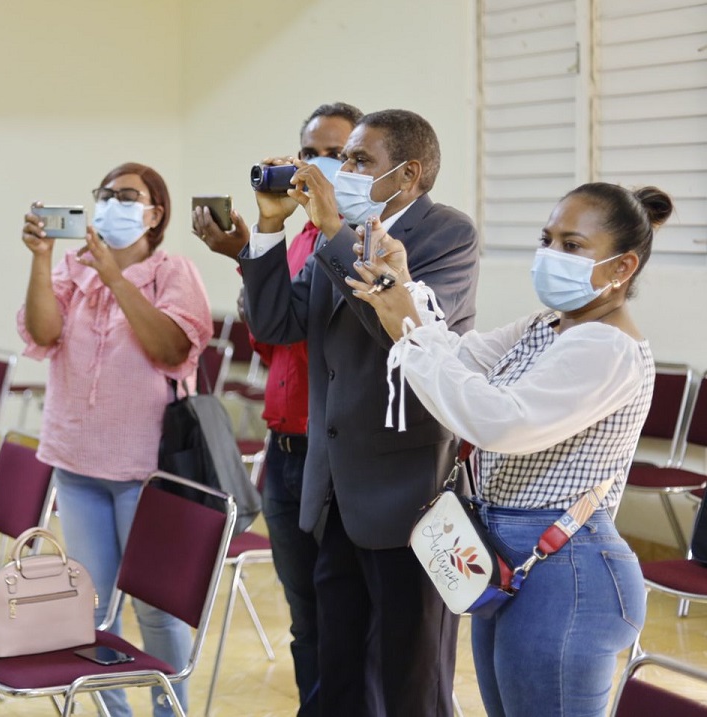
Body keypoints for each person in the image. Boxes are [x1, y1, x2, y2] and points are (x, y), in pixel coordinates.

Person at [347, 183, 670, 717]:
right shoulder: (549, 326)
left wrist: (406, 326)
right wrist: (403, 288)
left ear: (621, 268)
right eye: (547, 240)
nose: (550, 255)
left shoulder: (606, 346)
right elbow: (458, 358)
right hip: (508, 554)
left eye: (572, 246)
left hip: (568, 568)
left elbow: (499, 421)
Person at [238, 109, 480, 717]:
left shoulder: (446, 234)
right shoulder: (337, 233)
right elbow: (275, 323)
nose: (341, 170)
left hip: (406, 491)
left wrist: (334, 232)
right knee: (339, 667)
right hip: (335, 486)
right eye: (342, 158)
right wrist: (269, 229)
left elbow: (404, 337)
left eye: (358, 160)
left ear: (409, 173)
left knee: (410, 678)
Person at [18, 162, 213, 716]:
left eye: (125, 196)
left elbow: (172, 349)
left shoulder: (174, 271)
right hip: (78, 464)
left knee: (156, 608)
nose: (110, 204)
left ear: (154, 214)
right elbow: (42, 332)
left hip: (148, 471)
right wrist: (41, 261)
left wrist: (115, 278)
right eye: (103, 194)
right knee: (92, 609)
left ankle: (168, 711)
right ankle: (112, 713)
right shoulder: (73, 271)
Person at [194, 101, 363, 717]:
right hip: (284, 451)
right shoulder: (299, 241)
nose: (317, 164)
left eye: (336, 153)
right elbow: (274, 343)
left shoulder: (360, 242)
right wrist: (250, 252)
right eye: (308, 152)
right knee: (304, 619)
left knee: (341, 616)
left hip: (334, 455)